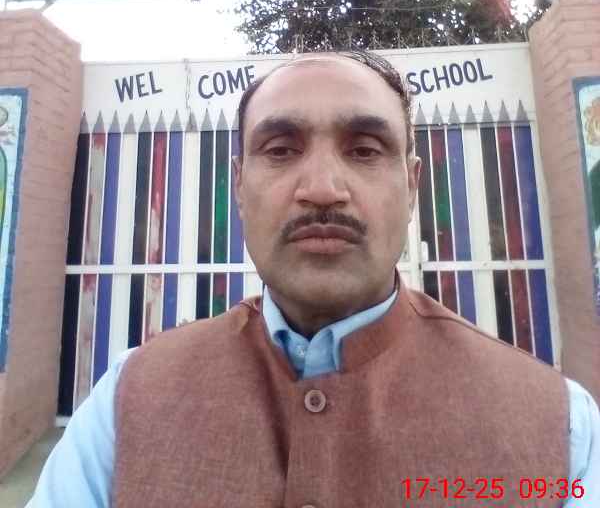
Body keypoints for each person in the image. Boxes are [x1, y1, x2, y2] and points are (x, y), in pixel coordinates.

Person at [28, 50, 599, 507]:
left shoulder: (561, 428)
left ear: (411, 185)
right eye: (280, 150)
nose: (323, 189)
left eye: (365, 150)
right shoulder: (126, 400)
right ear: (239, 186)